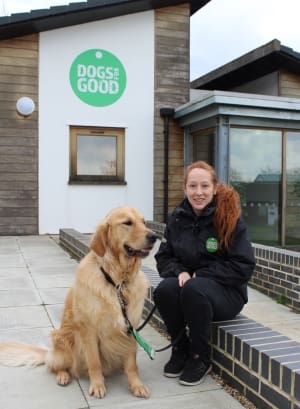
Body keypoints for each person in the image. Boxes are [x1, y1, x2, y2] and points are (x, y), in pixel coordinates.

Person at [153, 161, 255, 386]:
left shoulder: (229, 218)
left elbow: (244, 266)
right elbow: (163, 257)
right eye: (193, 186)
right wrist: (179, 271)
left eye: (205, 186)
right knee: (164, 290)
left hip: (227, 295)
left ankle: (200, 357)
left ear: (215, 188)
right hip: (191, 291)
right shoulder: (177, 218)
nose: (198, 192)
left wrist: (200, 274)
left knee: (194, 288)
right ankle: (180, 349)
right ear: (185, 188)